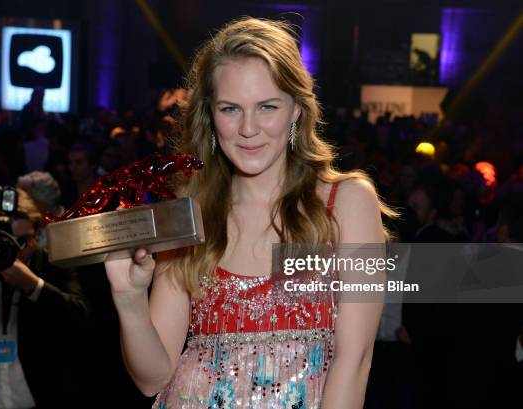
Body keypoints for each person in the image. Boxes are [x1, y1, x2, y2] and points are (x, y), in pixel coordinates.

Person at [104, 17, 395, 408]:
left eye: (267, 106)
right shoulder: (188, 215)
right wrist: (129, 298)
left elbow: (355, 359)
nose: (248, 128)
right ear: (210, 115)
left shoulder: (346, 202)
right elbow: (151, 378)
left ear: (296, 109)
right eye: (230, 109)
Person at [0, 188, 90, 408]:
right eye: (6, 240)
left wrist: (33, 285)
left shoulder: (51, 266)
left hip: (36, 398)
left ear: (37, 235)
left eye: (23, 242)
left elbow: (80, 316)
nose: (15, 251)